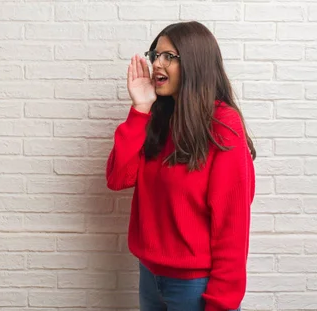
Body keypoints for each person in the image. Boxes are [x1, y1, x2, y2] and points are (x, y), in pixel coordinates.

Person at [105, 21, 256, 311]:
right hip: (149, 277)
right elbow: (118, 177)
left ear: (196, 63)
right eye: (155, 55)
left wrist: (222, 303)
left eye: (169, 57)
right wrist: (139, 109)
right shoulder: (158, 119)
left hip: (194, 287)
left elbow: (232, 226)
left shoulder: (223, 125)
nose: (157, 64)